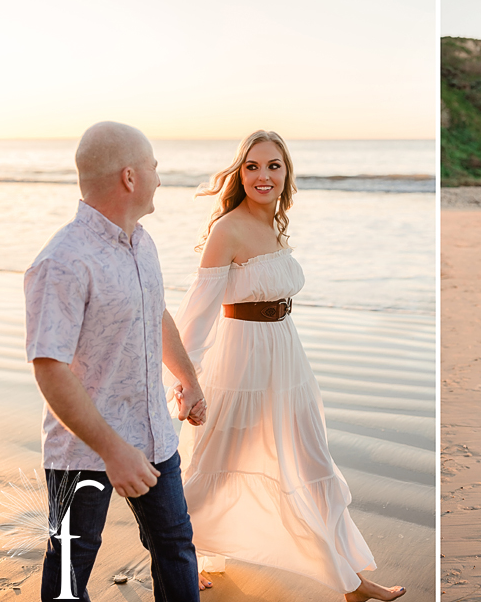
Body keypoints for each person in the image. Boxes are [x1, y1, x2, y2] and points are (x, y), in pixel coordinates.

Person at [167, 130, 405, 601]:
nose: (264, 176)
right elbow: (198, 311)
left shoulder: (276, 224)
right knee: (217, 464)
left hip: (287, 357)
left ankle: (352, 581)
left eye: (273, 166)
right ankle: (176, 555)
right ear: (240, 173)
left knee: (314, 460)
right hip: (241, 362)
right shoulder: (227, 229)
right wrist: (186, 381)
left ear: (286, 173)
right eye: (253, 166)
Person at [24, 121, 208, 601]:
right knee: (70, 567)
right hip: (83, 450)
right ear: (130, 177)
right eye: (154, 168)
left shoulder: (143, 242)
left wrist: (188, 378)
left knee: (175, 546)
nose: (160, 179)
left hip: (154, 434)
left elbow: (156, 312)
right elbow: (48, 368)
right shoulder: (61, 261)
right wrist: (112, 450)